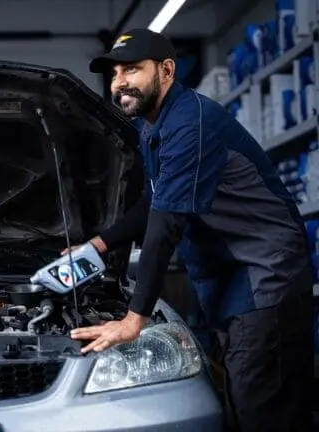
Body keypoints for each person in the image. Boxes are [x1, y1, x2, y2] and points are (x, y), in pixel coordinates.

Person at [66, 28, 315, 431]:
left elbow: (166, 224)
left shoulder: (190, 123)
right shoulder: (153, 125)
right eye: (114, 73)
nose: (120, 82)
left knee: (263, 408)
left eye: (132, 69)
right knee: (238, 397)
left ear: (166, 71)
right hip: (228, 277)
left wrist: (134, 320)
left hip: (266, 273)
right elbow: (153, 201)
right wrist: (99, 243)